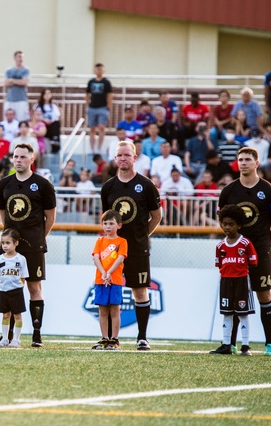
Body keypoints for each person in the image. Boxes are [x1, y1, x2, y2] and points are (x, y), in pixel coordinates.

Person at [218, 146, 271, 356]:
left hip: (259, 251)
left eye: (248, 159)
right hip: (233, 253)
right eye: (240, 160)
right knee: (235, 294)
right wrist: (232, 242)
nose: (243, 163)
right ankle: (230, 344)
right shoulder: (229, 191)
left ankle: (269, 344)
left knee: (264, 295)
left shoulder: (269, 191)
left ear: (257, 163)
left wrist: (265, 244)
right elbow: (222, 220)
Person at [100, 141, 162, 351]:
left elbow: (156, 216)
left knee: (140, 292)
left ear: (135, 157)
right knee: (109, 292)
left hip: (137, 248)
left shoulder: (145, 185)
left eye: (127, 155)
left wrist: (142, 236)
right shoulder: (108, 187)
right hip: (112, 250)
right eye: (119, 155)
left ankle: (142, 337)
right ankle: (109, 339)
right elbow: (105, 218)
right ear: (115, 159)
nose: (123, 158)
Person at [0, 143, 55, 348]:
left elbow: (50, 216)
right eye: (15, 156)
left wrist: (39, 237)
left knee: (33, 287)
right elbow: (3, 212)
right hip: (10, 245)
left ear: (32, 159)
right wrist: (8, 237)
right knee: (8, 286)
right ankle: (8, 335)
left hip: (33, 244)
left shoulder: (43, 184)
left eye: (23, 157)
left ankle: (36, 334)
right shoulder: (5, 183)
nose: (18, 160)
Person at [209, 204, 258, 357]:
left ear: (239, 225)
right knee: (227, 313)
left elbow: (253, 262)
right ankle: (226, 345)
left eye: (231, 224)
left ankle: (245, 345)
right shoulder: (220, 245)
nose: (227, 227)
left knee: (243, 314)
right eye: (225, 224)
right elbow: (219, 264)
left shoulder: (245, 243)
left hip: (242, 281)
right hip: (226, 281)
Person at [91, 210, 127, 351]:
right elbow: (96, 258)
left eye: (111, 223)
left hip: (116, 280)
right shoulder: (99, 241)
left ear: (119, 225)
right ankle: (105, 338)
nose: (108, 226)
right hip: (101, 280)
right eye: (105, 223)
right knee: (103, 311)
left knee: (114, 310)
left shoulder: (122, 241)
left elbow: (120, 258)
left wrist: (110, 272)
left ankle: (115, 339)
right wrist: (104, 273)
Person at [0, 229, 27, 348]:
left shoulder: (21, 259)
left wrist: (17, 287)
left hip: (16, 291)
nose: (5, 246)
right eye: (3, 243)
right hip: (3, 290)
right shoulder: (0, 259)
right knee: (5, 315)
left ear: (16, 243)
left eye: (8, 243)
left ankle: (16, 340)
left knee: (17, 315)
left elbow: (23, 276)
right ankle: (4, 338)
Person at [85, 63, 113, 155]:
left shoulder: (106, 82)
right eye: (97, 69)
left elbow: (110, 95)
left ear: (103, 70)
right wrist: (87, 104)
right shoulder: (91, 82)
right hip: (92, 107)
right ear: (94, 70)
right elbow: (87, 94)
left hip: (102, 107)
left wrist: (108, 106)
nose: (99, 71)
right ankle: (92, 149)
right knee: (92, 128)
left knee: (101, 127)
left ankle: (99, 148)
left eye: (100, 69)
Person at [4, 50, 31, 121]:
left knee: (21, 120)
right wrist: (18, 81)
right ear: (15, 58)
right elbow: (6, 83)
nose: (21, 59)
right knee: (8, 119)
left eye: (22, 57)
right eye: (19, 57)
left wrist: (12, 80)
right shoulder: (9, 70)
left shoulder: (26, 70)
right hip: (10, 99)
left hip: (21, 99)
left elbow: (24, 82)